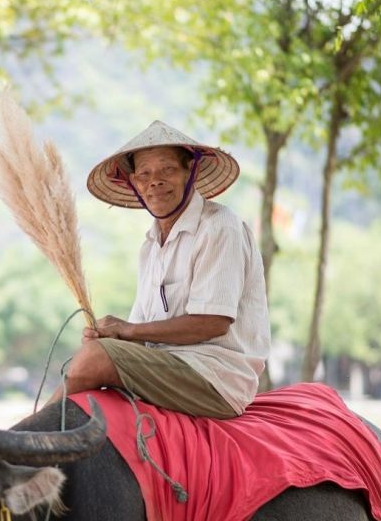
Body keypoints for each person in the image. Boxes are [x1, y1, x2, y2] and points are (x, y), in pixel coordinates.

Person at [55, 120, 270, 418]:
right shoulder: (150, 246)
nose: (155, 181)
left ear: (190, 172)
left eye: (167, 169)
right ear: (134, 182)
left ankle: (18, 444)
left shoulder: (220, 226)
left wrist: (124, 332)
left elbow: (213, 323)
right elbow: (141, 334)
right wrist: (113, 335)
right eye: (144, 173)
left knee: (94, 358)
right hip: (167, 367)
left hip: (214, 378)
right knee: (88, 356)